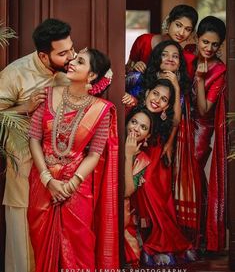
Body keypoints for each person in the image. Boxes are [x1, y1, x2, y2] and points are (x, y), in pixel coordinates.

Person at [27, 47, 119, 271]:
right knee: (41, 247)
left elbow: (95, 153)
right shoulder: (47, 94)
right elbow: (33, 139)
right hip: (43, 182)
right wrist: (48, 179)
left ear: (92, 75)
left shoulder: (101, 110)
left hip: (76, 188)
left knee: (79, 247)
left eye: (79, 62)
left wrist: (71, 185)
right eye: (73, 60)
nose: (71, 63)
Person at [0, 18, 75, 272]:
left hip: (60, 183)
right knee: (24, 257)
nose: (71, 57)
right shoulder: (15, 73)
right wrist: (26, 107)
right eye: (63, 53)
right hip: (24, 179)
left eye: (72, 49)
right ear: (43, 56)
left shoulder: (70, 74)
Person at [123, 78, 195, 267]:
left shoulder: (164, 121)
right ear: (147, 92)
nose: (157, 100)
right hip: (136, 159)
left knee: (155, 197)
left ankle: (160, 242)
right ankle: (146, 241)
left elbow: (176, 120)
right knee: (143, 192)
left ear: (166, 107)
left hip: (155, 161)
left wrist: (177, 89)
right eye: (155, 93)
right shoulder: (134, 107)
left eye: (164, 99)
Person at [191, 16, 227, 252]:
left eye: (215, 45)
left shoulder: (221, 70)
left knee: (193, 176)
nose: (209, 48)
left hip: (201, 129)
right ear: (196, 38)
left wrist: (200, 79)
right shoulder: (186, 55)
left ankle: (200, 235)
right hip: (178, 122)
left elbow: (204, 109)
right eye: (205, 42)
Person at [126, 4, 198, 73]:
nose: (182, 33)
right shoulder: (144, 41)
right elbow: (126, 69)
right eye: (178, 25)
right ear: (169, 22)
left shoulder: (185, 56)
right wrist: (135, 67)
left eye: (187, 29)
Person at [124, 106, 154, 267]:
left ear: (147, 135)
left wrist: (129, 156)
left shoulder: (143, 159)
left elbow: (127, 192)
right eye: (134, 122)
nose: (136, 128)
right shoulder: (112, 142)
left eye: (143, 127)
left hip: (123, 212)